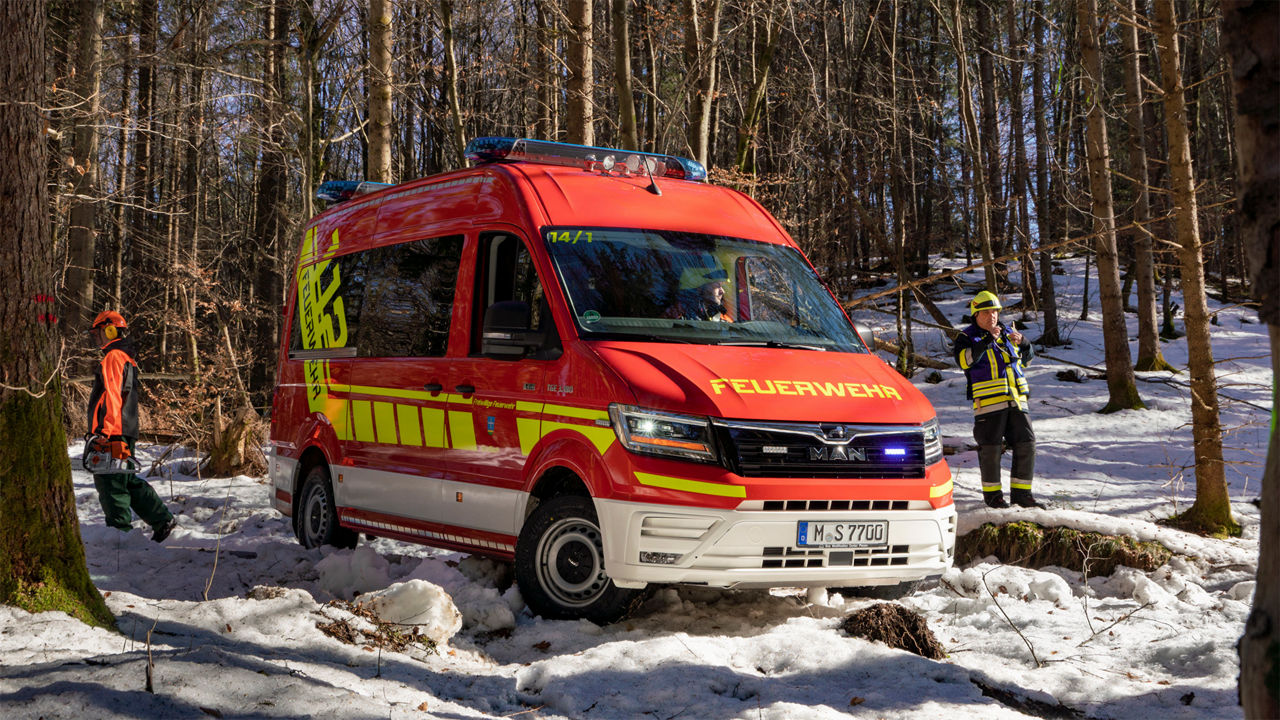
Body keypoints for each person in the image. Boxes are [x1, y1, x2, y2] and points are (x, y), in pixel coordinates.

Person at [87, 310, 177, 542]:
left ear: (109, 330)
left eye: (99, 334)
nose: (97, 339)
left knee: (111, 484)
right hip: (122, 430)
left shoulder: (114, 357)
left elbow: (112, 396)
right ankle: (162, 519)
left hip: (114, 433)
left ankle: (119, 537)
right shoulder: (124, 356)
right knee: (126, 479)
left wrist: (104, 433)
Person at [953, 291, 1039, 508]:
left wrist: (1025, 342)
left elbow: (1026, 361)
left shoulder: (1008, 332)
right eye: (986, 312)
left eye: (995, 311)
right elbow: (964, 361)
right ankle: (993, 498)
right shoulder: (967, 337)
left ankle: (1022, 495)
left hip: (1017, 401)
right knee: (990, 450)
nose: (992, 316)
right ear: (976, 314)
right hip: (988, 404)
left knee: (1026, 445)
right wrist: (984, 341)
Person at [666, 269, 734, 322]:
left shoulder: (721, 318)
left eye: (722, 287)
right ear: (700, 288)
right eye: (718, 286)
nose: (723, 291)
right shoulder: (678, 311)